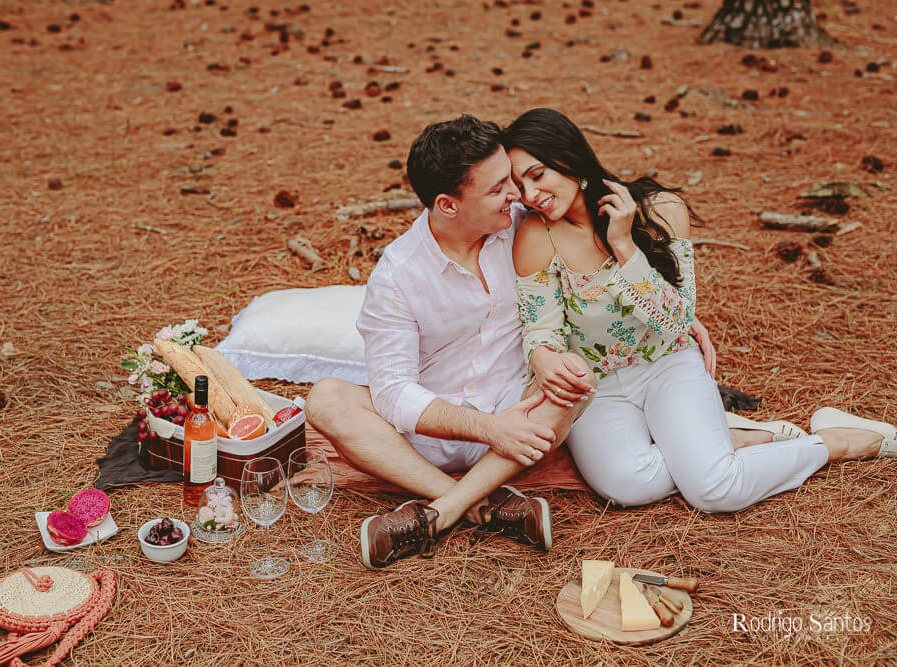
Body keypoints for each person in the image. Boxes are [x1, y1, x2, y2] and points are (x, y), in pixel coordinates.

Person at [305, 115, 717, 570]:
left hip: (520, 414)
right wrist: (487, 429)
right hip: (428, 434)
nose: (517, 194)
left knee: (574, 374)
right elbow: (393, 394)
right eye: (500, 187)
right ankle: (475, 505)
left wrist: (681, 319)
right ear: (448, 204)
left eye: (515, 180)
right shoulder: (397, 276)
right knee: (326, 399)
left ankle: (439, 514)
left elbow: (581, 227)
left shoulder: (526, 224)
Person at [503, 107, 896, 513]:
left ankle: (834, 442)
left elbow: (676, 322)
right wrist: (543, 357)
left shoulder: (660, 210)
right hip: (597, 388)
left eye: (537, 175)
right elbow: (541, 326)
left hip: (666, 365)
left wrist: (624, 246)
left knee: (714, 491)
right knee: (628, 486)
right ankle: (739, 440)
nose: (530, 196)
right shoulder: (536, 234)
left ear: (568, 159)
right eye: (520, 185)